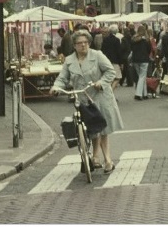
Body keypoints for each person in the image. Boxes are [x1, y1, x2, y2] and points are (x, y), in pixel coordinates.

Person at [49, 29, 124, 174]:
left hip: (100, 96)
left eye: (85, 42)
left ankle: (107, 160)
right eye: (79, 43)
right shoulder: (69, 60)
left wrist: (101, 82)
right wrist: (56, 87)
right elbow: (62, 78)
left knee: (102, 129)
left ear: (89, 43)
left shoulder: (97, 56)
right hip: (82, 98)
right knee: (91, 130)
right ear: (74, 45)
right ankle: (94, 157)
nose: (83, 45)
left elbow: (110, 72)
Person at [130, 24, 153, 101]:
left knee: (140, 76)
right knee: (142, 76)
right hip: (144, 59)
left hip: (135, 59)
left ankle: (145, 93)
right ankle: (138, 94)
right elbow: (149, 49)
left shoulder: (133, 38)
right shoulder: (146, 39)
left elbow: (131, 48)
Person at [101, 24, 123, 91]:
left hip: (106, 60)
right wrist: (121, 63)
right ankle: (110, 92)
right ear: (116, 31)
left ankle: (108, 92)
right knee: (118, 77)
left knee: (110, 77)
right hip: (115, 61)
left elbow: (102, 50)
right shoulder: (116, 40)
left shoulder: (105, 39)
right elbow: (119, 52)